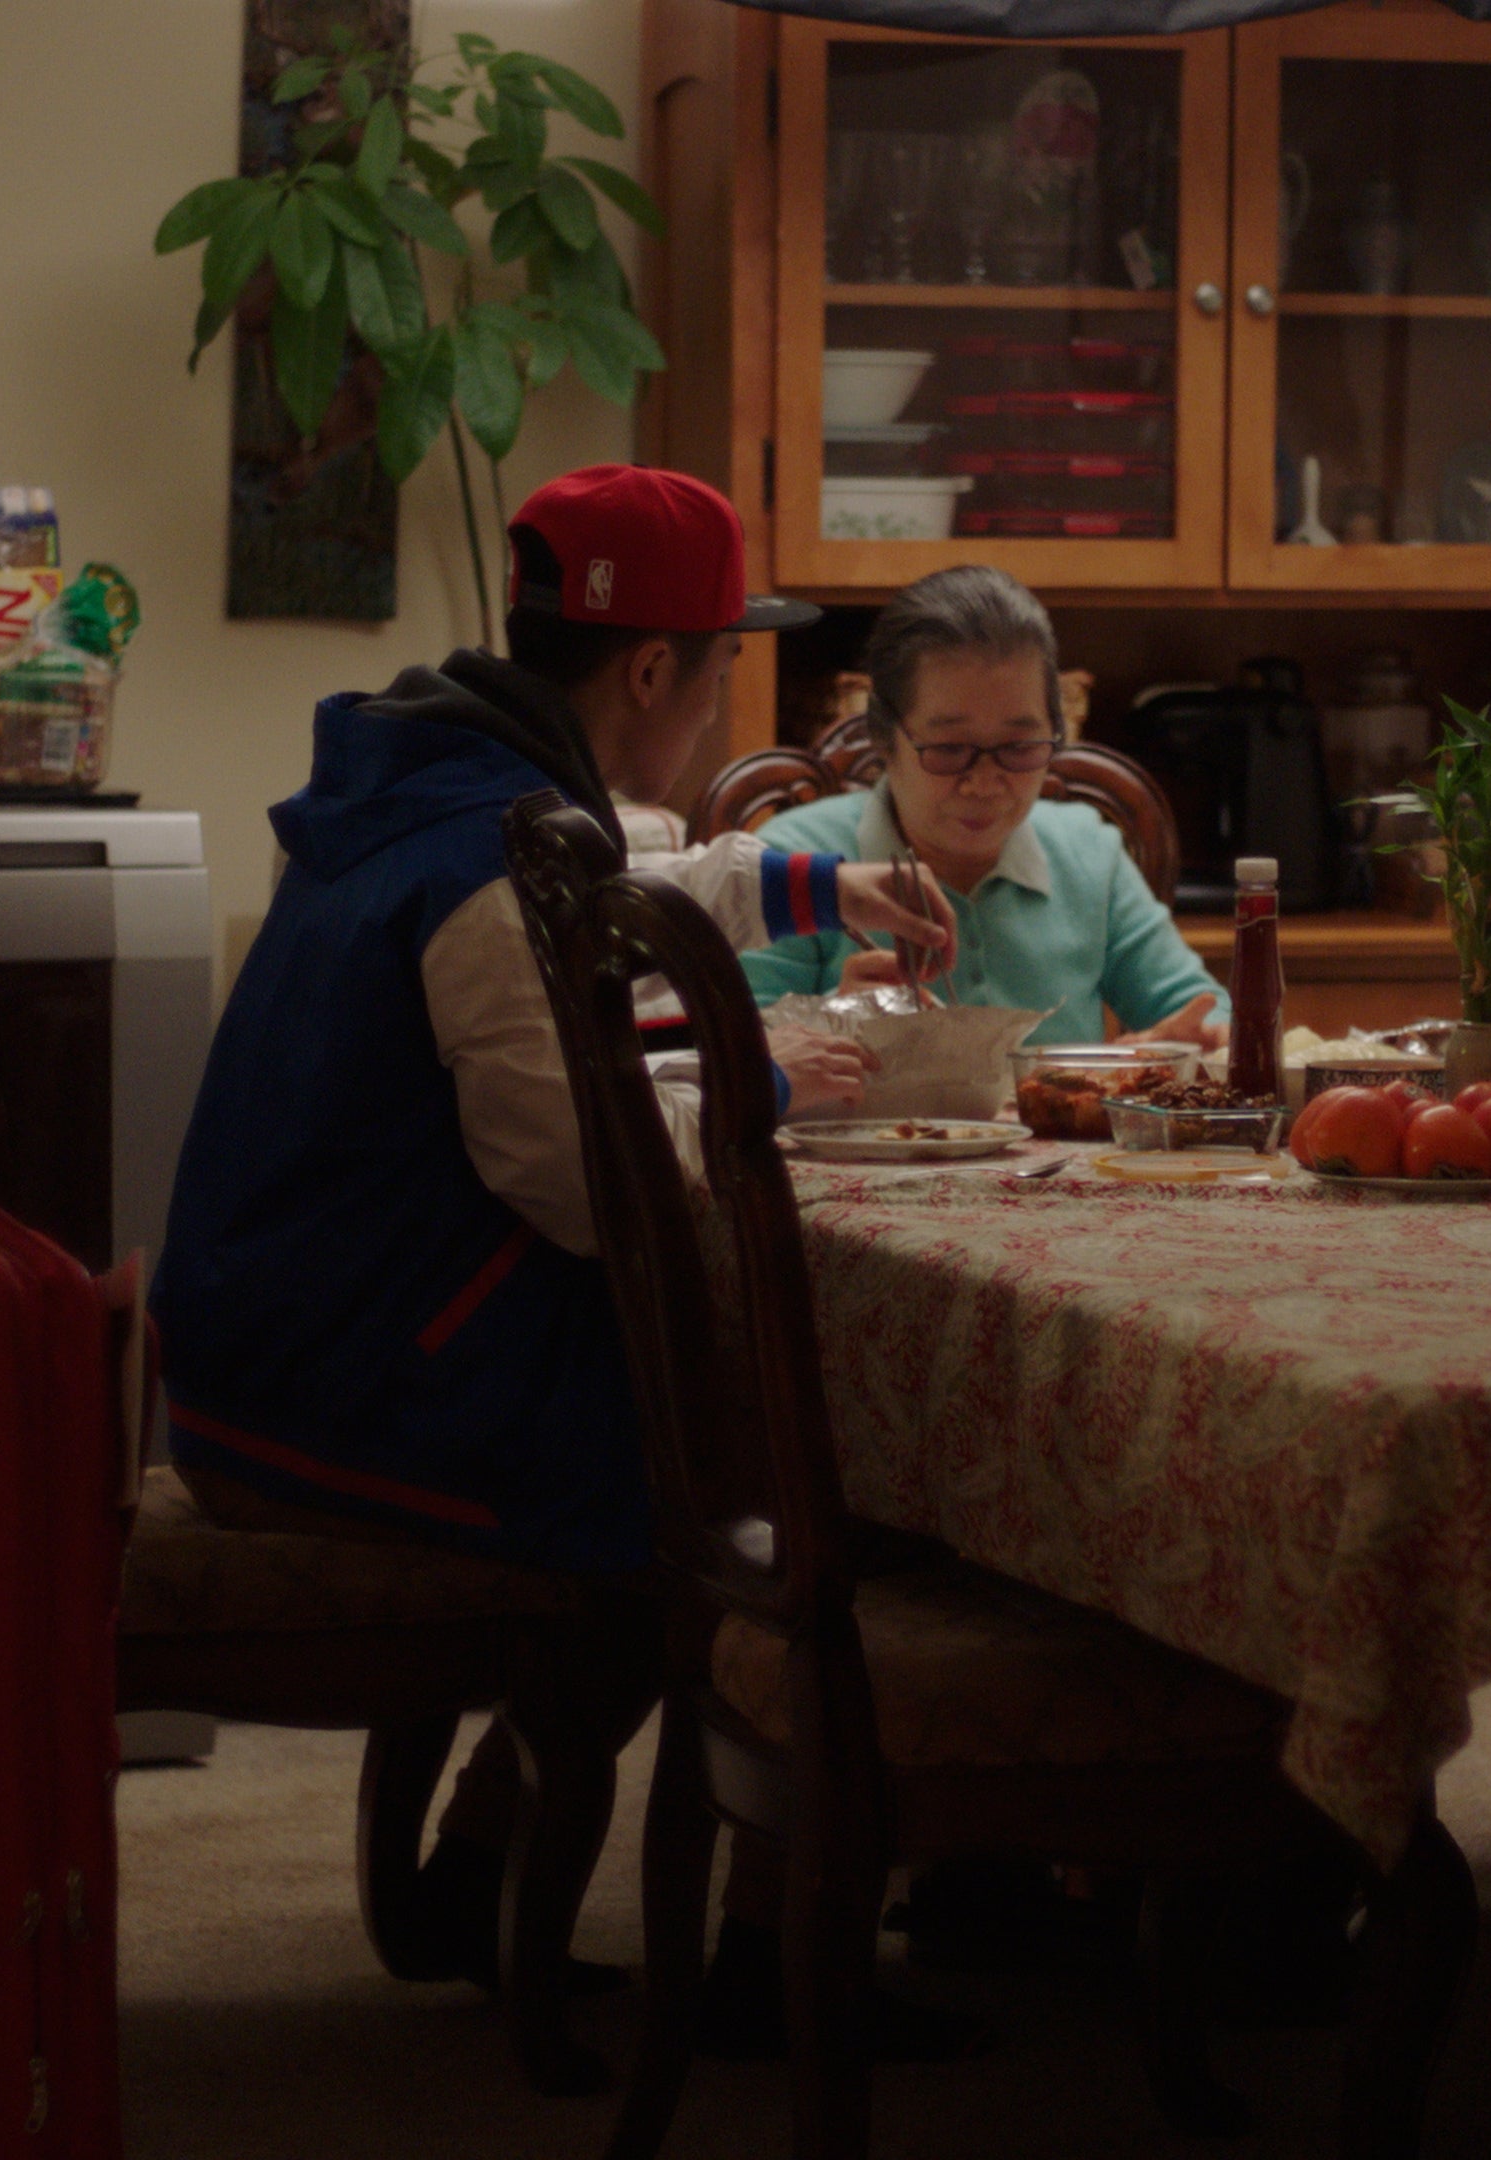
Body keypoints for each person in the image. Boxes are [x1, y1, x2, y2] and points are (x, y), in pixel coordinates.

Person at [148, 465, 954, 1988]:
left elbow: (618, 886)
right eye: (724, 661)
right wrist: (757, 1082)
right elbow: (582, 1182)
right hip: (337, 1391)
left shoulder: (432, 786)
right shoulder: (476, 861)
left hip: (284, 1333)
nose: (723, 697)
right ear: (652, 668)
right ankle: (763, 1950)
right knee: (775, 1459)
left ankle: (490, 1861)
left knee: (711, 1413)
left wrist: (808, 884)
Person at [739, 565, 1226, 1049]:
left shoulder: (1088, 854)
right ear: (883, 739)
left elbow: (1201, 1012)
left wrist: (1181, 1045)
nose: (986, 784)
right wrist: (830, 1022)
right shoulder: (795, 861)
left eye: (1018, 748)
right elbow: (727, 1056)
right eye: (950, 749)